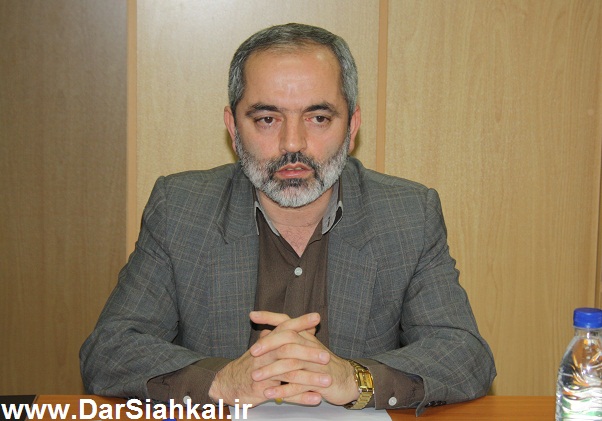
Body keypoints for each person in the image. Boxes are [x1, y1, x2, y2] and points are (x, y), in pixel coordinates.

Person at [80, 23, 496, 416]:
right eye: (267, 119)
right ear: (233, 128)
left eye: (318, 118)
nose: (292, 143)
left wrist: (355, 379)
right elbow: (109, 351)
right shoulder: (181, 209)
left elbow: (465, 355)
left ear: (352, 126)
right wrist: (222, 381)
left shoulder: (408, 214)